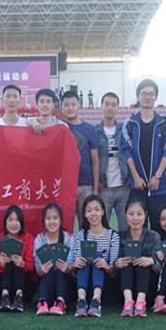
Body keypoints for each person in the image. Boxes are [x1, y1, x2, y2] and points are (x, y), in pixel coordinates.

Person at [120, 79, 166, 236]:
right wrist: (136, 177)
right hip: (137, 187)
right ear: (138, 97)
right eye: (143, 93)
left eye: (151, 93)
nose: (147, 97)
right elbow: (127, 152)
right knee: (138, 230)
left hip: (160, 186)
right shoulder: (130, 124)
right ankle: (139, 254)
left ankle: (163, 254)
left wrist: (157, 176)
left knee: (162, 228)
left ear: (156, 97)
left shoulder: (164, 124)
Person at [69, 194, 119, 318]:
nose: (93, 214)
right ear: (85, 214)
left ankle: (96, 301)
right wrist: (75, 265)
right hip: (85, 282)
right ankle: (81, 301)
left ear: (103, 212)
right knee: (86, 256)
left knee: (96, 255)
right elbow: (75, 270)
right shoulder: (80, 235)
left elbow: (113, 272)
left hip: (105, 284)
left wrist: (106, 266)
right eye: (89, 210)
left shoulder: (113, 236)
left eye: (97, 209)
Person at [114, 198, 161, 317]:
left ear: (145, 215)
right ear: (125, 214)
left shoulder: (154, 236)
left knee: (142, 259)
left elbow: (159, 268)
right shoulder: (119, 236)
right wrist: (116, 263)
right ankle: (128, 302)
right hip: (124, 287)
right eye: (131, 214)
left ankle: (141, 302)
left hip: (147, 286)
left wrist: (152, 261)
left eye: (139, 214)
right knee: (126, 260)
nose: (135, 218)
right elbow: (112, 265)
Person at [61, 90, 99, 228]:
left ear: (79, 106)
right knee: (64, 227)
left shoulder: (89, 129)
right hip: (65, 187)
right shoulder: (58, 127)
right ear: (62, 108)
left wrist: (95, 189)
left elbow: (95, 160)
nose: (70, 108)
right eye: (66, 105)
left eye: (73, 104)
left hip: (86, 185)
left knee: (87, 227)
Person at [97, 92, 131, 236]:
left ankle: (125, 251)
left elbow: (132, 154)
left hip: (124, 188)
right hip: (104, 189)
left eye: (113, 105)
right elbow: (93, 159)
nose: (110, 107)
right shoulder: (95, 131)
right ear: (101, 107)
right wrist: (97, 182)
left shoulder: (125, 129)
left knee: (126, 229)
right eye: (107, 104)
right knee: (102, 229)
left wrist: (130, 178)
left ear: (118, 108)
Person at [33, 203, 74, 316]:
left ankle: (60, 303)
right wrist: (41, 270)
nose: (52, 222)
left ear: (60, 221)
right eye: (48, 218)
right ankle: (42, 302)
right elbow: (37, 267)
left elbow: (72, 269)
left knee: (60, 269)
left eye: (55, 218)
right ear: (44, 221)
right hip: (47, 284)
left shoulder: (69, 238)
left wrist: (67, 269)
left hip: (66, 287)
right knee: (49, 269)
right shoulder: (39, 239)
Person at [0, 205, 36, 313]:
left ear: (21, 222)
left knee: (16, 262)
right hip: (3, 286)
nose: (13, 224)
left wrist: (23, 264)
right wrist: (1, 264)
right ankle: (5, 298)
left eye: (17, 220)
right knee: (8, 261)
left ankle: (19, 297)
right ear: (5, 222)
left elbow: (31, 267)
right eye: (10, 220)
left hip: (25, 288)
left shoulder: (28, 237)